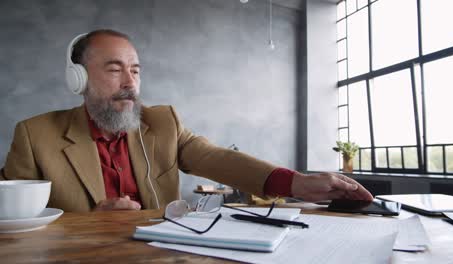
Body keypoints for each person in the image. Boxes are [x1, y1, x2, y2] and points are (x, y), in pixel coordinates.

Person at [0, 29, 373, 212]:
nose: (130, 83)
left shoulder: (162, 121)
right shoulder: (35, 135)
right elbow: (11, 221)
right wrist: (88, 220)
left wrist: (296, 183)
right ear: (77, 79)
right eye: (114, 70)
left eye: (135, 70)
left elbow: (214, 157)